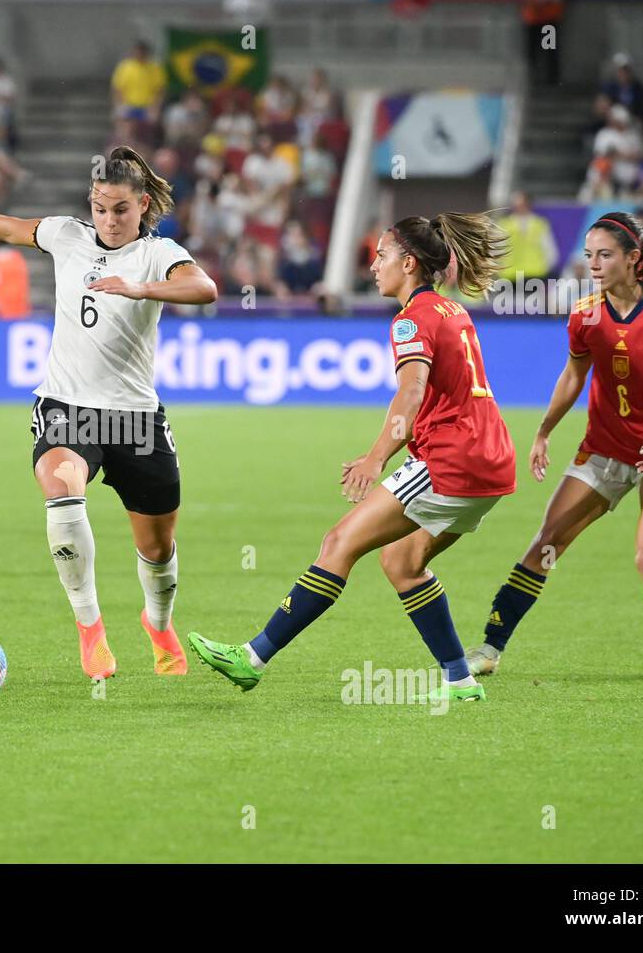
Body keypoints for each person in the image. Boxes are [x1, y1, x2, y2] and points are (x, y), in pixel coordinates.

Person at [187, 213, 515, 701]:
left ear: (408, 262)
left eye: (382, 255)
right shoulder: (451, 311)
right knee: (402, 563)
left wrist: (375, 457)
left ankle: (252, 658)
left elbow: (411, 392)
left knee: (339, 542)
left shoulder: (411, 321)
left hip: (451, 461)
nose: (373, 264)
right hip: (492, 463)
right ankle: (459, 679)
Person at [0, 145, 218, 679]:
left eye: (121, 209)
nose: (108, 219)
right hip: (67, 405)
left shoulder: (158, 253)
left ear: (142, 204)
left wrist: (141, 288)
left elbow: (204, 287)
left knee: (157, 546)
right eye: (101, 207)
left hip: (135, 418)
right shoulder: (67, 235)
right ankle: (90, 629)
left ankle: (158, 623)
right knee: (62, 488)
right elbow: (10, 227)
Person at [466, 212, 643, 682]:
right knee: (544, 545)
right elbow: (574, 375)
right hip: (602, 450)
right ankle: (490, 650)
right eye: (589, 255)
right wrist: (544, 431)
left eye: (605, 255)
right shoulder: (584, 314)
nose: (594, 264)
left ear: (634, 259)